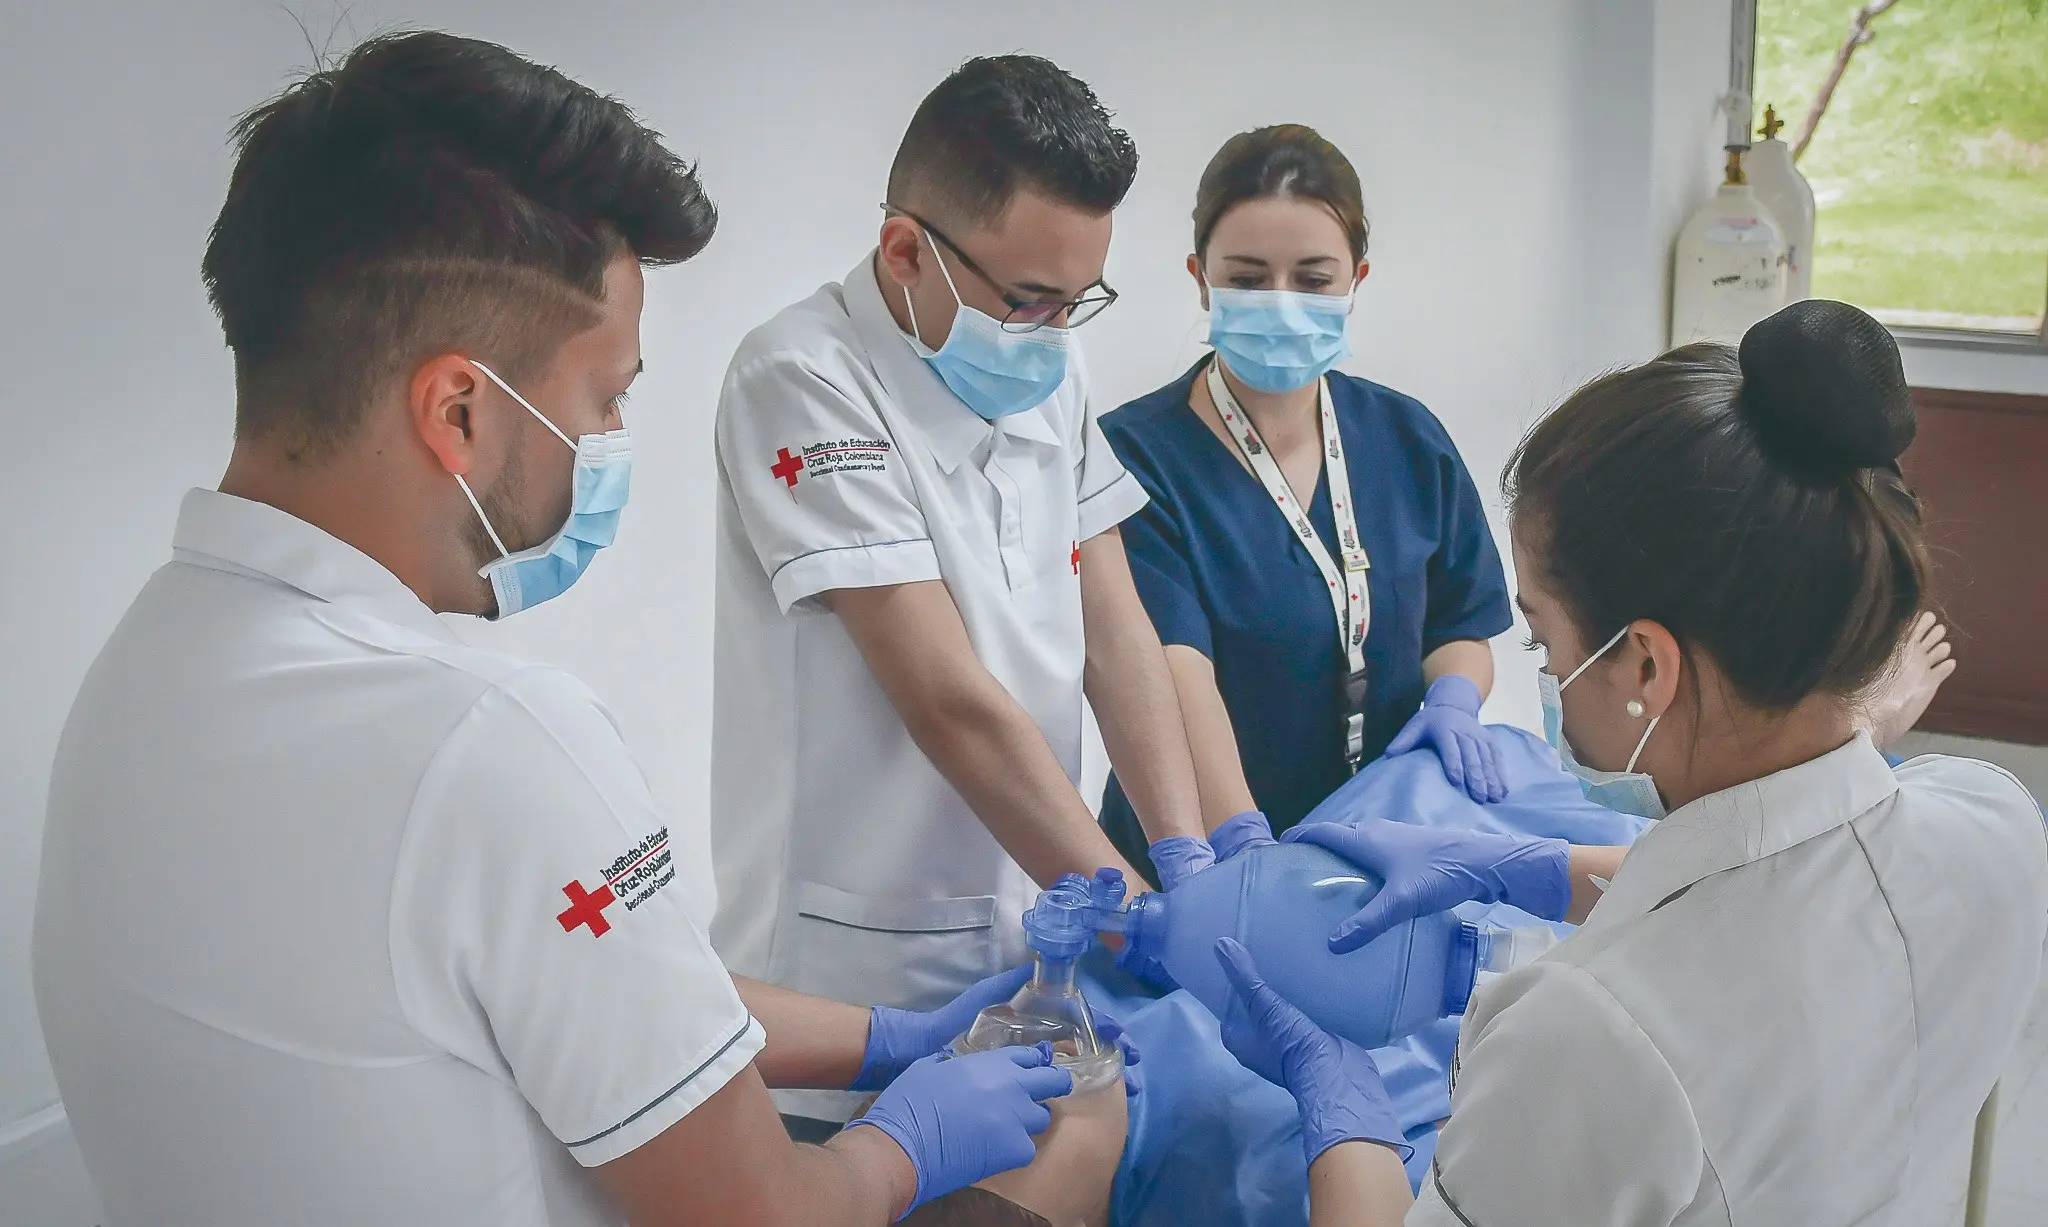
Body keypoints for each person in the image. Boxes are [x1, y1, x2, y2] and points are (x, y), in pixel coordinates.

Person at [30, 33, 1084, 1227]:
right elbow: (770, 1215)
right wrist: (907, 1138)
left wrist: (881, 1038)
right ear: (460, 410)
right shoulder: (487, 741)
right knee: (1067, 1157)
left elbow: (585, 985)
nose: (611, 437)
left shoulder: (144, 667)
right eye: (607, 395)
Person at [1212, 301, 2048, 1225]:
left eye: (1544, 641)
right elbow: (1803, 875)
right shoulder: (1996, 823)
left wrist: (1341, 1105)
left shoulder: (1593, 1038)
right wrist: (1532, 870)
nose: (1546, 677)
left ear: (1646, 664)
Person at [707, 55, 1206, 1132]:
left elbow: (1115, 631)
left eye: (1078, 302)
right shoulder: (799, 378)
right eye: (1029, 300)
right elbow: (943, 692)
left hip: (1035, 926)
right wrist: (1138, 919)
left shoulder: (1050, 361)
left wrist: (1184, 856)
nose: (1054, 333)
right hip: (851, 974)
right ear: (905, 251)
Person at [1096, 125, 1513, 886]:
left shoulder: (1407, 438)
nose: (1281, 304)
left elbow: (1461, 623)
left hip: (1380, 854)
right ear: (1200, 278)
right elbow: (1171, 672)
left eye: (1313, 279)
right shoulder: (1135, 456)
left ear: (1357, 278)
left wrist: (1453, 698)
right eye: (1249, 279)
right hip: (1194, 856)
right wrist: (1241, 844)